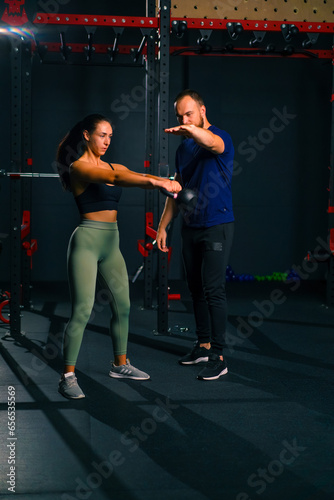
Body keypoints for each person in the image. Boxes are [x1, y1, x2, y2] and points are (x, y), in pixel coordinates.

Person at [56, 114, 181, 399]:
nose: (107, 141)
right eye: (102, 135)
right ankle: (67, 376)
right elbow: (115, 178)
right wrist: (161, 181)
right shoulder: (79, 167)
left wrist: (162, 182)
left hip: (112, 243)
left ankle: (120, 364)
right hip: (86, 241)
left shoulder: (113, 165)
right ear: (87, 135)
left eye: (110, 136)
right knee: (82, 311)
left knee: (123, 306)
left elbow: (140, 178)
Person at [156, 90, 234, 381]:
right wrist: (164, 226)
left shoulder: (220, 138)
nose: (184, 120)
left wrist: (190, 129)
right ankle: (202, 345)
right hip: (191, 226)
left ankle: (218, 355)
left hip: (217, 225)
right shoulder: (183, 150)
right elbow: (177, 191)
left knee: (214, 290)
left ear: (203, 110)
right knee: (195, 289)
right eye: (180, 116)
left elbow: (211, 143)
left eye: (189, 114)